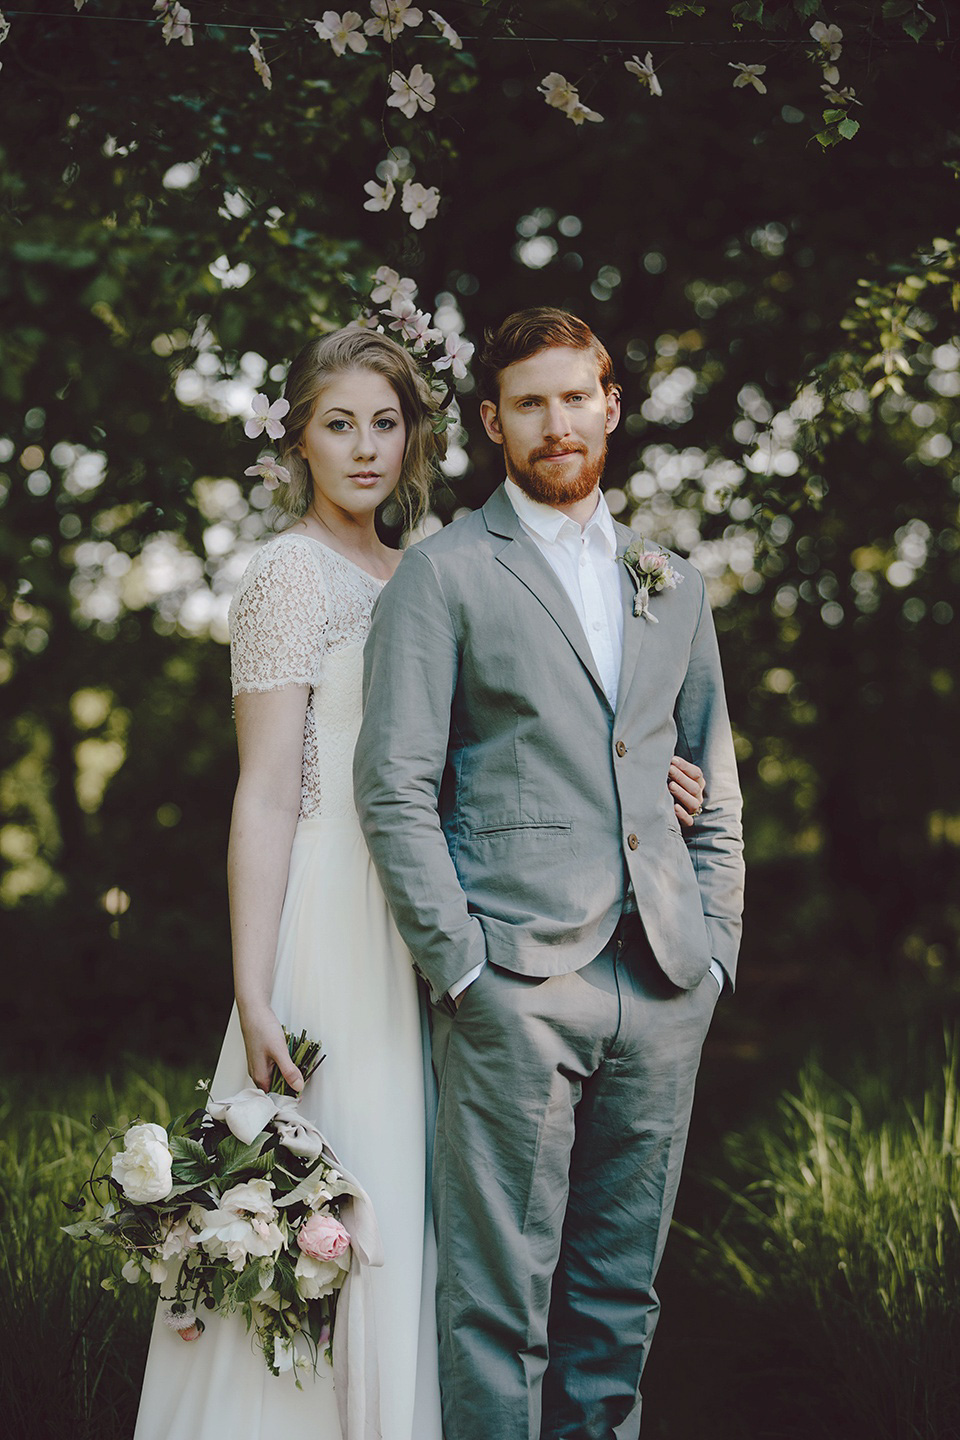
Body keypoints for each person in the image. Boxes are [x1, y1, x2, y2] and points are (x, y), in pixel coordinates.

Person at [133, 321, 707, 1440]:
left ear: (417, 436)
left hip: (456, 904)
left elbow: (522, 748)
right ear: (296, 439)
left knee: (452, 1223)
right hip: (339, 917)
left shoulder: (441, 567)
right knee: (348, 1196)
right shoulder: (286, 580)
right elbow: (263, 796)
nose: (364, 450)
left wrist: (651, 790)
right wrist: (255, 989)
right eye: (338, 425)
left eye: (385, 425)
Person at [354, 307, 745, 1440]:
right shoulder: (446, 576)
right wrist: (463, 969)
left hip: (666, 980)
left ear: (612, 406)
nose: (557, 421)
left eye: (577, 396)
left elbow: (709, 771)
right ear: (492, 422)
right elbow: (396, 784)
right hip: (517, 983)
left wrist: (715, 947)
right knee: (497, 1307)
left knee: (619, 1304)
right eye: (530, 402)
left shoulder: (670, 578)